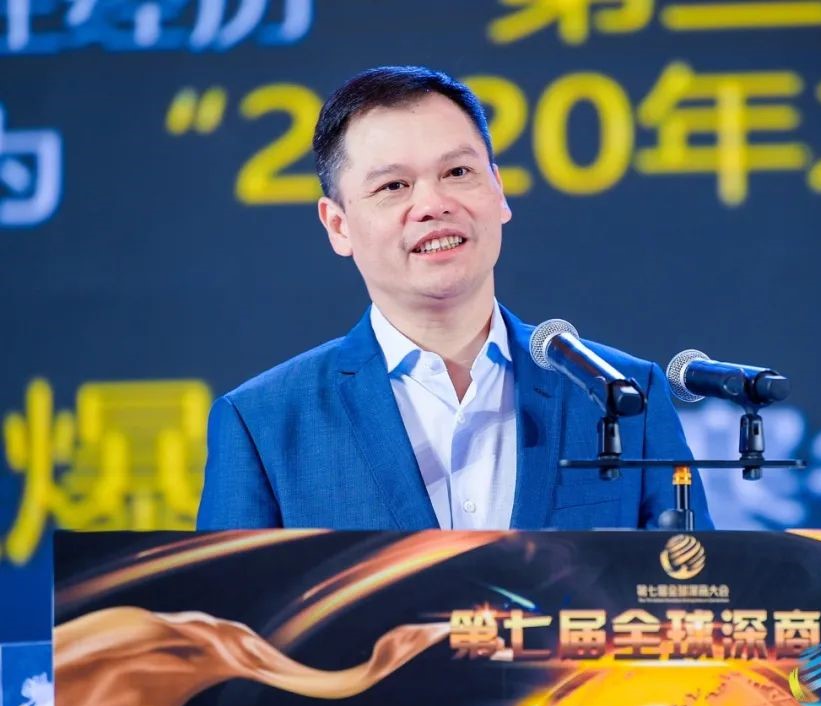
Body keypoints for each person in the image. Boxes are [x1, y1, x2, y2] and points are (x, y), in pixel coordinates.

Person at [196, 65, 712, 531]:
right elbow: (231, 604)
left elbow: (692, 588)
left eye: (457, 173)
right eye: (393, 186)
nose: (432, 204)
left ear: (499, 191)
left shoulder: (623, 395)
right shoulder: (263, 423)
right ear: (338, 225)